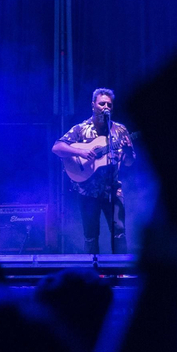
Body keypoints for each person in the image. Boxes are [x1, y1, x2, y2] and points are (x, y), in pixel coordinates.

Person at [52, 88, 135, 255]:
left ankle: (119, 273)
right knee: (91, 235)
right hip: (87, 191)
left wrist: (127, 150)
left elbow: (129, 162)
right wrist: (80, 152)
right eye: (101, 103)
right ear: (93, 105)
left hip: (113, 190)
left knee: (119, 232)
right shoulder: (81, 129)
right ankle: (93, 275)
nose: (105, 107)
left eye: (109, 105)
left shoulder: (119, 131)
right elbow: (57, 147)